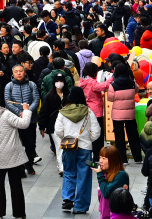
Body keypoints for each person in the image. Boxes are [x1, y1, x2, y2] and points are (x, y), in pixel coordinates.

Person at [0, 95, 31, 219]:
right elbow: (24, 124)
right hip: (12, 154)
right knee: (15, 184)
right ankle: (19, 214)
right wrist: (26, 110)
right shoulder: (6, 114)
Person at [54, 87, 100, 215]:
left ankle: (68, 198)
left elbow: (57, 130)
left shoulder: (63, 112)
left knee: (68, 171)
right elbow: (96, 132)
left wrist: (66, 137)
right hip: (85, 149)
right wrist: (87, 139)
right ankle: (80, 206)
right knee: (84, 176)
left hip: (69, 147)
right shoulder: (89, 112)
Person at [3, 64, 40, 175]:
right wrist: (19, 112)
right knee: (18, 144)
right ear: (13, 73)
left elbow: (36, 100)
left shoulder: (31, 85)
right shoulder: (9, 86)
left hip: (31, 120)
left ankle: (29, 164)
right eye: (16, 71)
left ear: (25, 72)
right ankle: (20, 168)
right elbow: (7, 102)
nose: (19, 73)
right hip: (15, 120)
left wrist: (27, 112)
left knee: (30, 144)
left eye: (21, 71)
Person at [107, 61, 142, 164]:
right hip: (130, 114)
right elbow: (137, 90)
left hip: (117, 115)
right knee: (133, 136)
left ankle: (123, 160)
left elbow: (110, 98)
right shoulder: (132, 83)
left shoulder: (113, 85)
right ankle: (138, 158)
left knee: (119, 137)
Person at [38, 69, 68, 176]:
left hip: (68, 125)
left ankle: (65, 165)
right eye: (57, 81)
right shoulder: (49, 96)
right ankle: (61, 167)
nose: (59, 83)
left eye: (61, 81)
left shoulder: (68, 95)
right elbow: (43, 112)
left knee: (66, 147)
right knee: (59, 146)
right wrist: (42, 126)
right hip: (53, 125)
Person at [79, 63, 112, 158]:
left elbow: (90, 94)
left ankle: (91, 153)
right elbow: (103, 86)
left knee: (89, 132)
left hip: (87, 109)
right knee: (98, 133)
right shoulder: (91, 82)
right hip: (96, 111)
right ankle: (97, 155)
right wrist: (111, 78)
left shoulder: (82, 81)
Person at [96, 146, 129, 219]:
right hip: (104, 214)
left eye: (104, 158)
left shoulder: (121, 175)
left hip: (115, 215)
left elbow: (106, 193)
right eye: (100, 157)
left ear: (113, 160)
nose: (100, 161)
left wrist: (100, 175)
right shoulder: (104, 173)